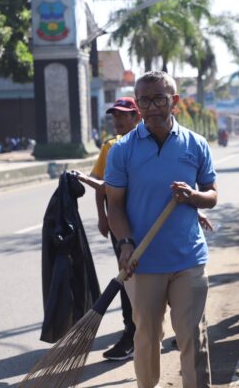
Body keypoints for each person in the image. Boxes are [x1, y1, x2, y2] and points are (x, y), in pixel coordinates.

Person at [105, 71, 217, 388]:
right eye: (144, 100)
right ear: (138, 103)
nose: (151, 106)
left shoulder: (196, 145)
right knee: (147, 338)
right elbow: (114, 206)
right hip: (143, 263)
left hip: (188, 259)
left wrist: (193, 196)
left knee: (194, 337)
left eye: (159, 99)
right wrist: (125, 244)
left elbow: (212, 195)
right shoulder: (122, 150)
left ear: (174, 101)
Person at [78, 97, 142, 360]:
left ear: (136, 117)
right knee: (127, 280)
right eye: (114, 115)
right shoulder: (110, 147)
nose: (117, 119)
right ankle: (131, 335)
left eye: (123, 115)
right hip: (121, 226)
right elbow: (101, 185)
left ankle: (171, 331)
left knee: (162, 278)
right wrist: (102, 217)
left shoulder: (146, 146)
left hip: (148, 222)